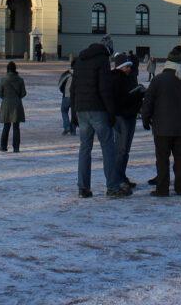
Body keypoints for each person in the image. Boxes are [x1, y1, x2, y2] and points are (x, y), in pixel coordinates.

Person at [72, 35, 131, 199]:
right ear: (108, 49)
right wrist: (111, 113)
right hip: (97, 109)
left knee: (85, 149)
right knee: (108, 148)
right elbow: (105, 89)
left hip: (81, 109)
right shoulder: (102, 60)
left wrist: (73, 112)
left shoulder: (80, 59)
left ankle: (83, 188)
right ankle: (112, 187)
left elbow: (73, 88)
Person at [140, 48, 181, 197]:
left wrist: (145, 120)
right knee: (180, 159)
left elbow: (148, 102)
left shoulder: (158, 80)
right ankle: (180, 187)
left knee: (162, 160)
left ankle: (162, 189)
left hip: (161, 128)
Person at [111, 53, 145, 188]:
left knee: (125, 150)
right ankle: (118, 178)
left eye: (129, 66)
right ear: (120, 66)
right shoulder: (114, 79)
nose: (129, 69)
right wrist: (135, 95)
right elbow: (118, 100)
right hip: (121, 116)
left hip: (130, 115)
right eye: (126, 66)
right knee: (121, 149)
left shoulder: (129, 78)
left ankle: (121, 176)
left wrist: (140, 94)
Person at [0, 61, 26, 152]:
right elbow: (23, 93)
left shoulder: (3, 80)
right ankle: (16, 147)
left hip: (6, 104)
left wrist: (5, 98)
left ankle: (3, 146)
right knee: (16, 127)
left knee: (6, 126)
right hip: (17, 104)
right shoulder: (20, 80)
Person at [58, 59, 76, 134]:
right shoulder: (81, 74)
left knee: (64, 111)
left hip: (66, 96)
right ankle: (73, 130)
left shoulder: (66, 74)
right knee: (74, 113)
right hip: (76, 97)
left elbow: (60, 84)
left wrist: (64, 91)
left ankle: (67, 127)